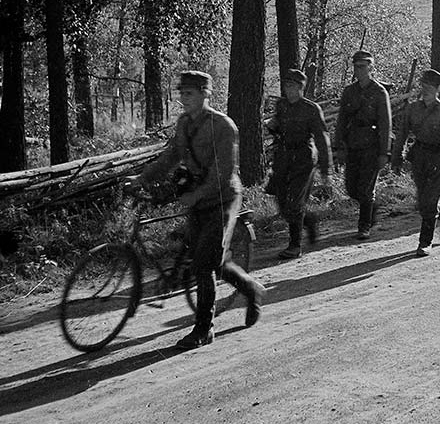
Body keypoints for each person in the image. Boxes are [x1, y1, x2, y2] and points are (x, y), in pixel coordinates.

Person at [134, 71, 264, 349]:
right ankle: (250, 289)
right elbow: (172, 156)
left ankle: (204, 329)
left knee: (205, 265)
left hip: (223, 200)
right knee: (209, 259)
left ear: (206, 94)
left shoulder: (223, 126)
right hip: (198, 200)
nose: (184, 98)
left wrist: (196, 195)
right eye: (181, 93)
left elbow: (224, 172)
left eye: (190, 93)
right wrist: (143, 178)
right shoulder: (184, 123)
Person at [392, 69, 440, 256]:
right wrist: (396, 158)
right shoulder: (412, 109)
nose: (426, 91)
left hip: (439, 158)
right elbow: (402, 135)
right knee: (423, 201)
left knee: (429, 202)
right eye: (424, 86)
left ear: (438, 89)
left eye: (431, 87)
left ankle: (425, 241)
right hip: (419, 158)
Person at [266, 68, 331, 259]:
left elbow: (322, 137)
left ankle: (295, 246)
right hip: (284, 157)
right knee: (282, 200)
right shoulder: (282, 105)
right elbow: (278, 126)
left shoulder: (311, 109)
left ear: (301, 87)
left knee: (295, 200)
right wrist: (273, 126)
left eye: (293, 86)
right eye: (286, 86)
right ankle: (308, 220)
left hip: (304, 158)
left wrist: (326, 167)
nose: (289, 89)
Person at [334, 50, 393, 239]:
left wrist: (384, 152)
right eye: (356, 67)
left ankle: (364, 225)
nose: (358, 70)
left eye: (362, 67)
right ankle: (371, 207)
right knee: (351, 188)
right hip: (353, 144)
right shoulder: (349, 92)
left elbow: (385, 124)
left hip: (371, 145)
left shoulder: (379, 92)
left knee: (366, 188)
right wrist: (339, 146)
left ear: (371, 67)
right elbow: (342, 120)